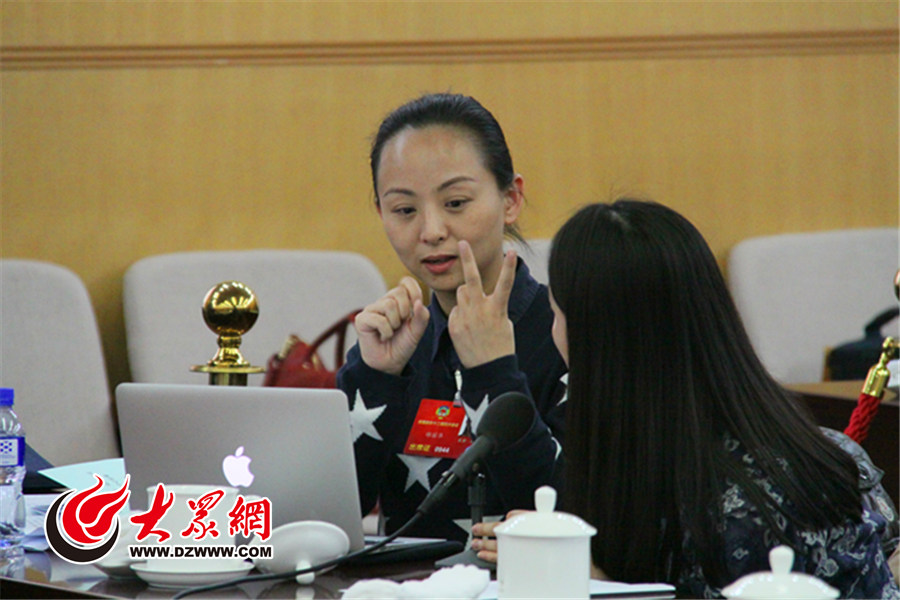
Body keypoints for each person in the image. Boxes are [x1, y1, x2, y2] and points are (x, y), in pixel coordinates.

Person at [471, 199, 900, 599]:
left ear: (599, 343)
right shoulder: (821, 452)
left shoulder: (743, 511)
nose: (555, 333)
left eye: (557, 315)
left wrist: (586, 577)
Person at [336, 93, 567, 543]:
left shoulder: (562, 333)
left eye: (456, 202)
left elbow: (566, 511)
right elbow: (330, 512)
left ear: (511, 199)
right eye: (405, 210)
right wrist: (373, 377)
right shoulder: (394, 343)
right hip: (402, 580)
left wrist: (494, 373)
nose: (431, 231)